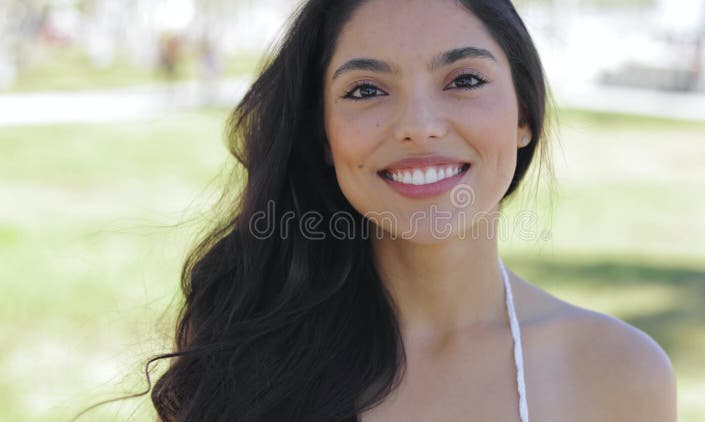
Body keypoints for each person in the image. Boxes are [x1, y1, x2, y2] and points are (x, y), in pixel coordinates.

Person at [146, 0, 677, 421]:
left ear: (523, 115)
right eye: (367, 89)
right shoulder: (250, 355)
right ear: (324, 137)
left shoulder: (621, 373)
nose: (419, 125)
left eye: (464, 80)